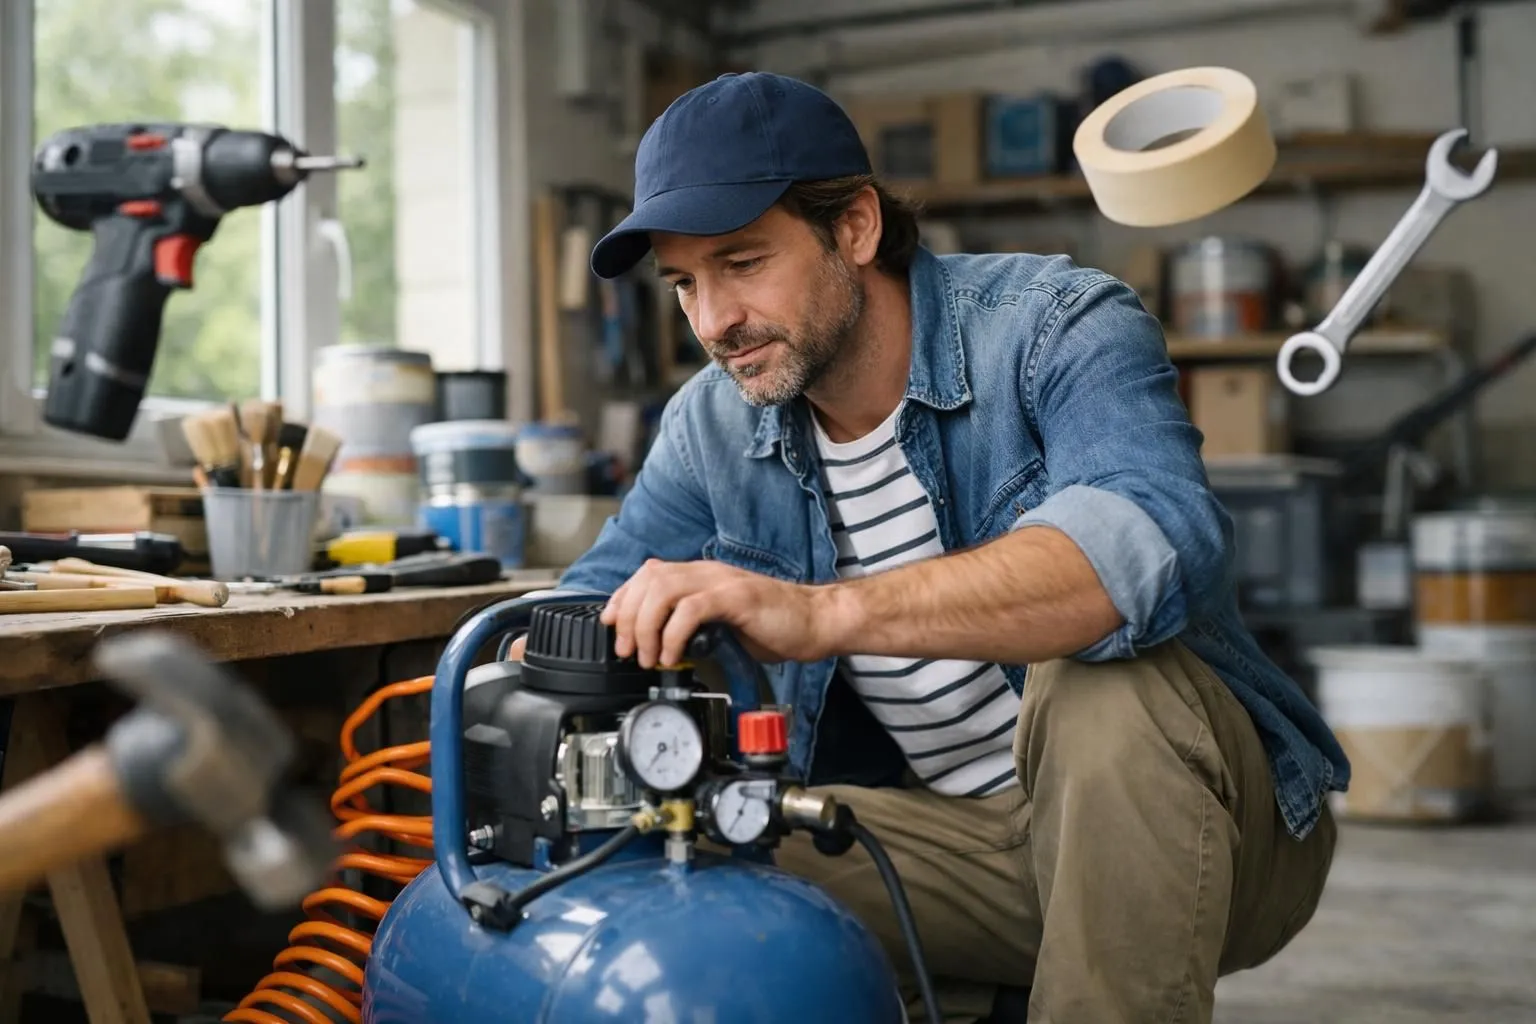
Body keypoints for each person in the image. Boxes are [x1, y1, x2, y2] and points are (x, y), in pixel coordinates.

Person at [512, 71, 1348, 1023]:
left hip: (1217, 837)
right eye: (685, 285)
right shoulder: (709, 426)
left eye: (742, 264)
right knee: (693, 848)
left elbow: (1144, 542)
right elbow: (578, 614)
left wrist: (823, 614)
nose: (712, 323)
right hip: (963, 848)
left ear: (856, 228)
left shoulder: (1054, 326)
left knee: (1103, 682)